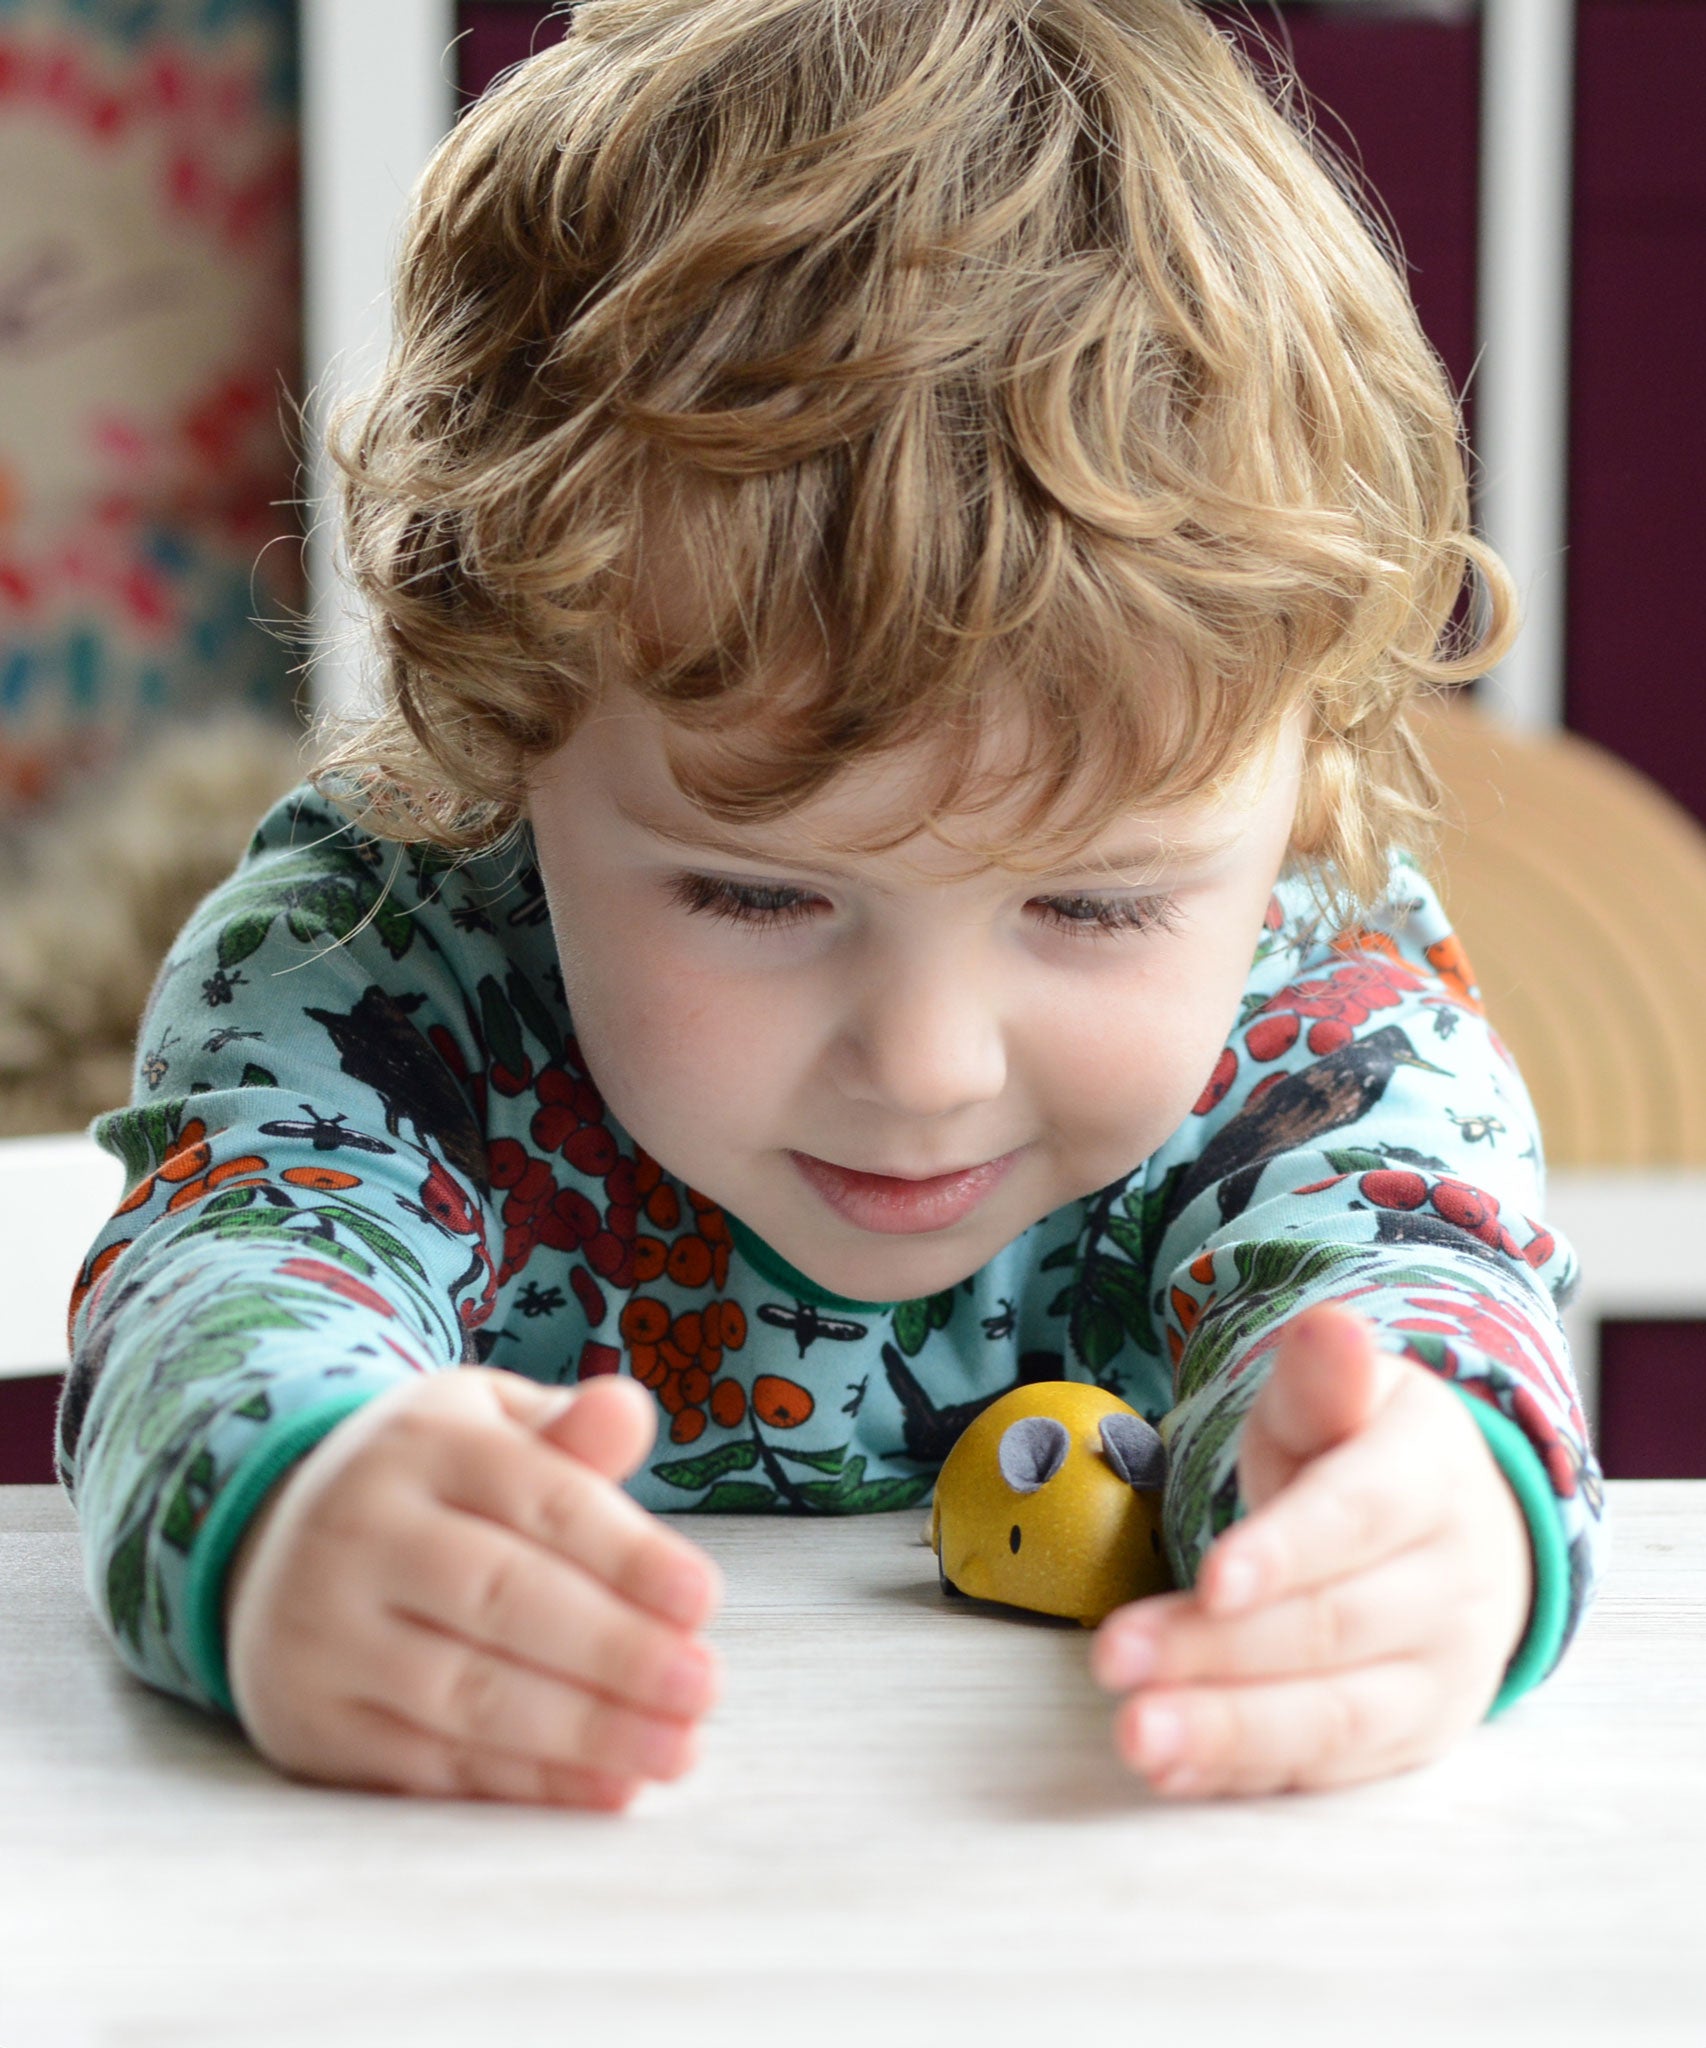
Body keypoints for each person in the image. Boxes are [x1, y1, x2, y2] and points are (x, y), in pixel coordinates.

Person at [58, 0, 1602, 1809]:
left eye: (1096, 910)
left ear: (1299, 788)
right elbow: (236, 1268)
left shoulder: (1316, 1005)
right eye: (752, 891)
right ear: (502, 736)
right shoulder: (369, 965)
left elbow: (1409, 1277)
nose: (929, 1067)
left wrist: (1419, 1516)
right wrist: (293, 1507)